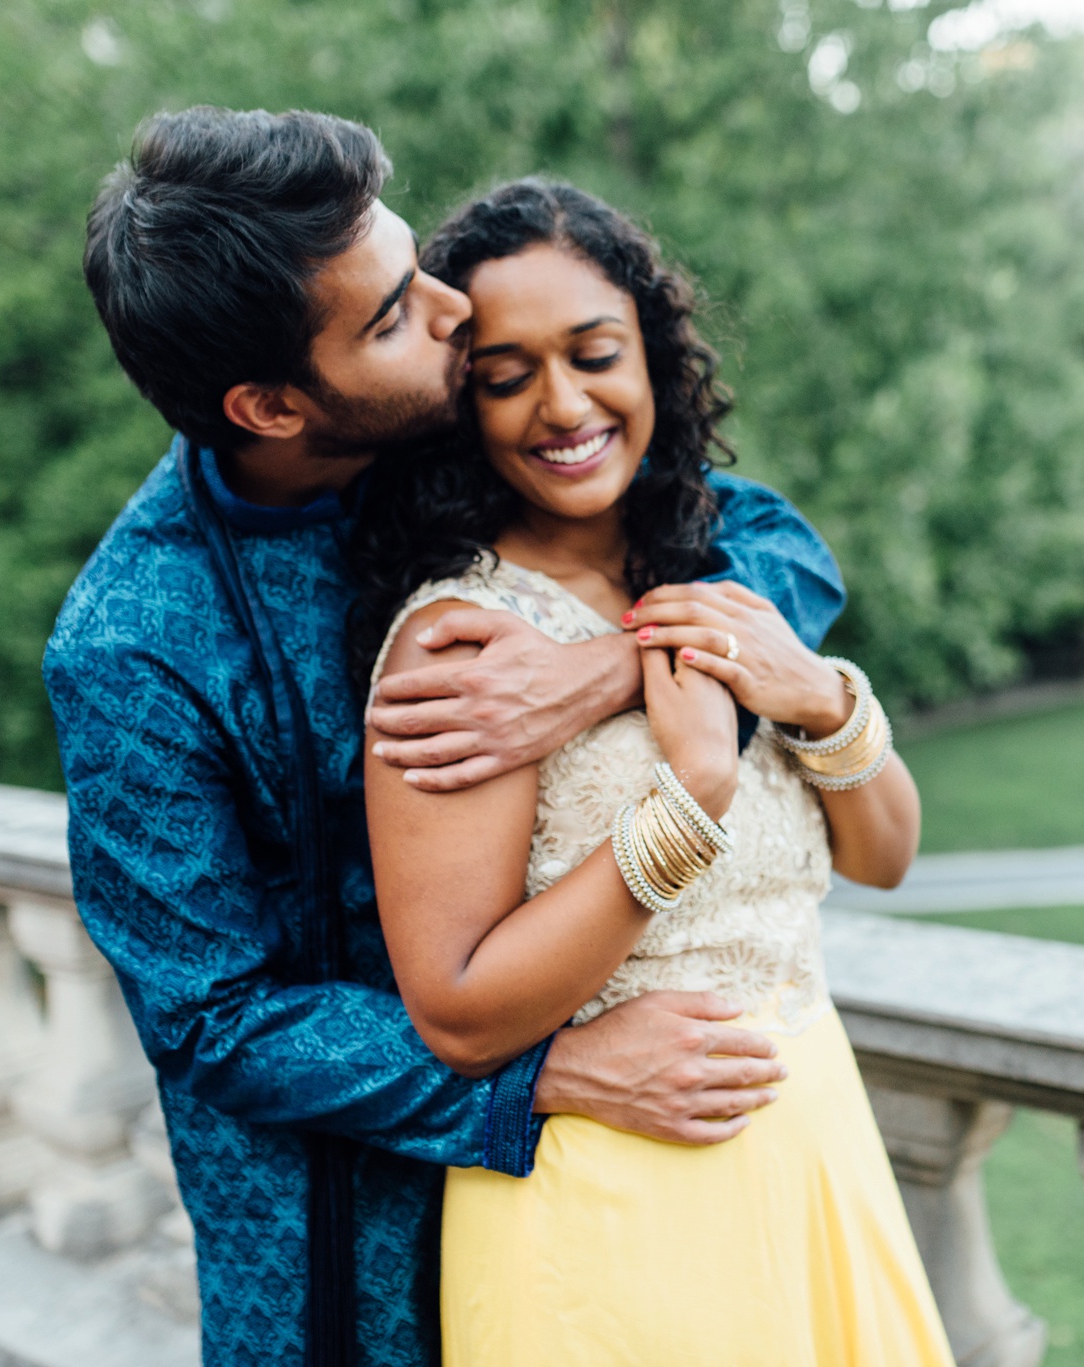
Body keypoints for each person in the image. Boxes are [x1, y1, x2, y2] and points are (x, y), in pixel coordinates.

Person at [45, 107, 846, 1366]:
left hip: (606, 1195)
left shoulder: (443, 436)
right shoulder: (136, 648)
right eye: (387, 316)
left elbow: (769, 540)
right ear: (266, 404)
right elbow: (209, 1017)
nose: (448, 311)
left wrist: (604, 672)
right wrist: (542, 1073)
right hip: (342, 1242)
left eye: (413, 264)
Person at [354, 179, 952, 1364]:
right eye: (508, 373)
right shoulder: (462, 643)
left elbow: (883, 853)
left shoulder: (720, 572)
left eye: (593, 354)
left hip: (813, 1148)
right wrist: (687, 804)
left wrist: (816, 696)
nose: (563, 404)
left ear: (654, 361)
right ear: (461, 404)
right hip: (612, 1209)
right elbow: (458, 1013)